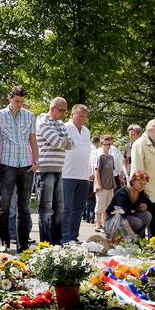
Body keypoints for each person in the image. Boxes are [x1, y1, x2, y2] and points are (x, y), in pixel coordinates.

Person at [0, 86, 38, 252]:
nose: (19, 104)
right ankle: (3, 244)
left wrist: (36, 161)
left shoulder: (30, 116)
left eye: (22, 102)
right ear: (9, 98)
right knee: (3, 206)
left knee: (24, 208)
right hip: (6, 163)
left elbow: (33, 139)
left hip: (26, 165)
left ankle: (23, 245)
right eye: (17, 101)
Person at [34, 96, 71, 245]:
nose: (63, 114)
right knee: (46, 209)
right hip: (45, 169)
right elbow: (58, 142)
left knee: (59, 209)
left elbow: (70, 143)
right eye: (61, 110)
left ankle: (56, 241)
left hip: (58, 169)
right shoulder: (42, 122)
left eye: (65, 111)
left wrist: (63, 141)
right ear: (52, 108)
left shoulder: (61, 124)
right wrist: (63, 141)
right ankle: (45, 242)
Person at [61, 104, 92, 244]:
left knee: (79, 208)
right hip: (67, 174)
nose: (82, 119)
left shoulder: (86, 131)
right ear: (72, 114)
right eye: (79, 116)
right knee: (66, 208)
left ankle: (74, 236)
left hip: (83, 175)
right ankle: (65, 236)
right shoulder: (64, 127)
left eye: (84, 117)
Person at [130, 119, 155, 238]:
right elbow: (137, 169)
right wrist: (139, 189)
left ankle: (154, 243)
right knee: (144, 219)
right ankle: (142, 244)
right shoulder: (139, 144)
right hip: (145, 189)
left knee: (154, 219)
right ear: (149, 130)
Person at [105, 171, 154, 239]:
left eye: (144, 184)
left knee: (147, 215)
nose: (142, 186)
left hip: (127, 217)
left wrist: (144, 207)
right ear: (133, 182)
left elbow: (149, 204)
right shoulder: (122, 194)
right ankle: (128, 239)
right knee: (137, 222)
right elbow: (122, 215)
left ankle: (138, 239)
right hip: (113, 221)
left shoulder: (140, 192)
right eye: (140, 183)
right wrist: (131, 233)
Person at [93, 135, 117, 233]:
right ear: (102, 145)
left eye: (109, 144)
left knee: (108, 206)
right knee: (100, 205)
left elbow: (111, 172)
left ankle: (104, 224)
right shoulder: (100, 157)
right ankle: (97, 225)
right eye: (105, 144)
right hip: (101, 186)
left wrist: (114, 183)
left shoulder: (111, 157)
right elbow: (97, 171)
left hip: (109, 185)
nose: (108, 146)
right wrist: (98, 184)